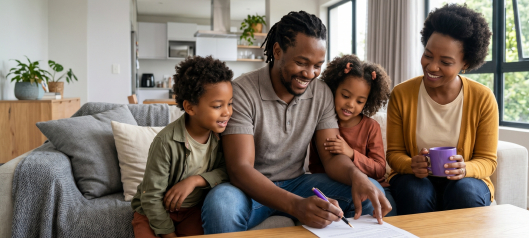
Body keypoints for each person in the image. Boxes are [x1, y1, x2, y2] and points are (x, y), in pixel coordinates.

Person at [201, 11, 391, 234]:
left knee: (371, 189)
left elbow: (331, 159)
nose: (310, 74)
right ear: (278, 51)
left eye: (317, 65)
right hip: (250, 191)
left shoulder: (321, 93)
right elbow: (240, 168)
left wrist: (356, 175)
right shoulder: (243, 91)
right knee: (220, 205)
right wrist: (295, 205)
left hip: (299, 183)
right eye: (302, 63)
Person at [386, 3, 497, 215]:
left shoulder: (483, 98)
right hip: (415, 179)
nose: (432, 66)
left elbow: (488, 160)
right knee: (416, 191)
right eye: (428, 55)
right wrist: (411, 164)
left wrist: (466, 169)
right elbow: (394, 154)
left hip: (464, 181)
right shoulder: (402, 94)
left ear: (465, 63)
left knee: (465, 191)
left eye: (445, 62)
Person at [131, 56, 233, 237]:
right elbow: (151, 197)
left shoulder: (222, 136)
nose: (227, 112)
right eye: (218, 106)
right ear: (190, 108)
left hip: (191, 212)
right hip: (153, 211)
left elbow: (228, 170)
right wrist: (169, 234)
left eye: (230, 103)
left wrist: (195, 180)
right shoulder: (165, 142)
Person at [307, 55, 396, 216]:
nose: (351, 104)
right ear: (334, 89)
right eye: (346, 96)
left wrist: (351, 153)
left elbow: (379, 169)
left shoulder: (371, 127)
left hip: (375, 185)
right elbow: (316, 168)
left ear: (368, 102)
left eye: (360, 101)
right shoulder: (322, 124)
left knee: (388, 211)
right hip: (334, 185)